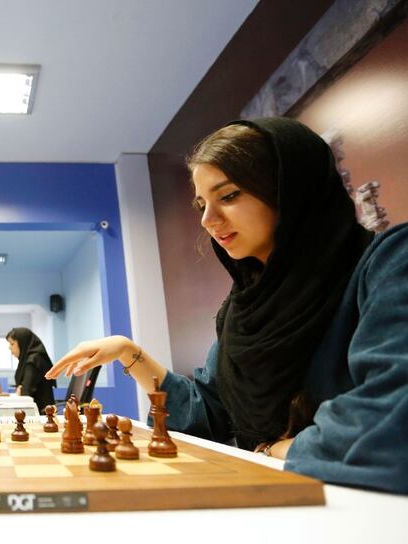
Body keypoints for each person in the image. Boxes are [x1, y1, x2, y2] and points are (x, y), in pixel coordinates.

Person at [46, 118, 408, 495]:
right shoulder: (240, 312)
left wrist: (284, 449)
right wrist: (128, 352)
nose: (207, 220)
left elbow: (394, 415)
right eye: (202, 204)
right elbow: (210, 414)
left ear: (289, 190)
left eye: (229, 195)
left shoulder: (389, 263)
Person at [7, 327, 56, 413]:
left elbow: (25, 393)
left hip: (42, 415)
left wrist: (21, 390)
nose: (9, 347)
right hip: (38, 412)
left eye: (12, 344)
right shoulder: (30, 359)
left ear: (22, 343)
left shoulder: (33, 361)